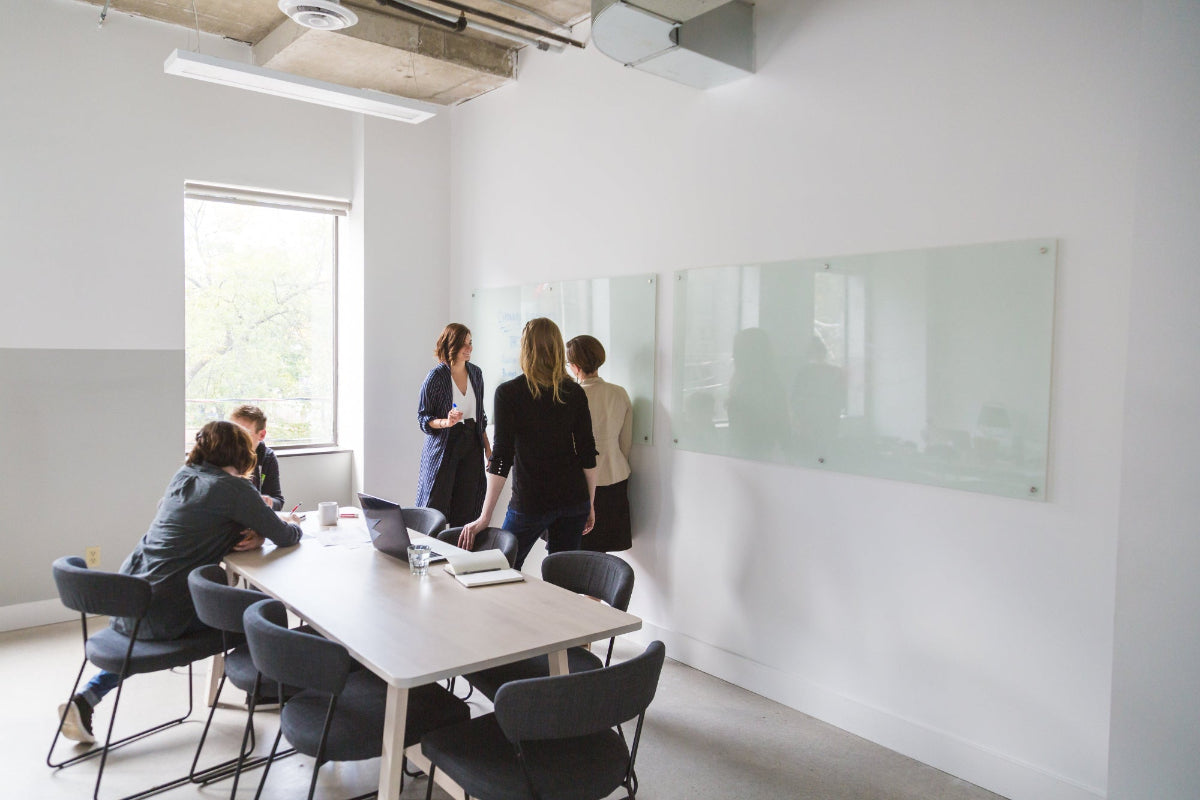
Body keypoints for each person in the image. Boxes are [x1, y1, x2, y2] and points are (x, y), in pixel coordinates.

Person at [56, 420, 303, 744]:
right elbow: (284, 536)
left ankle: (86, 697)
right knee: (254, 612)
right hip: (167, 613)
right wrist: (295, 522)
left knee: (220, 603)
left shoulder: (184, 476)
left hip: (129, 602)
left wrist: (247, 534)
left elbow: (191, 532)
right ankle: (269, 690)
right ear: (242, 454)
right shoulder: (234, 489)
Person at [460, 318, 598, 569]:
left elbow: (501, 458)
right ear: (557, 349)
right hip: (572, 499)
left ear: (525, 349)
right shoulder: (574, 392)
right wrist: (589, 503)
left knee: (501, 570)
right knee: (563, 582)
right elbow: (587, 454)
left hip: (530, 500)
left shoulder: (509, 393)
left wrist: (485, 516)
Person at [416, 323, 492, 526]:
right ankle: (431, 554)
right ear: (451, 345)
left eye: (470, 343)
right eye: (463, 344)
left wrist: (488, 450)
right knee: (435, 508)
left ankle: (461, 555)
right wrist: (446, 422)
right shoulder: (437, 377)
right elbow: (424, 418)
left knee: (468, 508)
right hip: (445, 446)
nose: (469, 348)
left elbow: (480, 417)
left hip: (471, 445)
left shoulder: (476, 373)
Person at [566, 335, 634, 552]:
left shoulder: (570, 396)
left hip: (579, 481)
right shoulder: (619, 393)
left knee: (575, 550)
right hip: (615, 476)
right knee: (602, 551)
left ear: (575, 367)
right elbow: (626, 443)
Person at [229, 404, 284, 510]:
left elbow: (278, 500)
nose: (237, 439)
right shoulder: (220, 456)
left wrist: (269, 502)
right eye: (233, 432)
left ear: (261, 435)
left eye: (245, 434)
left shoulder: (267, 458)